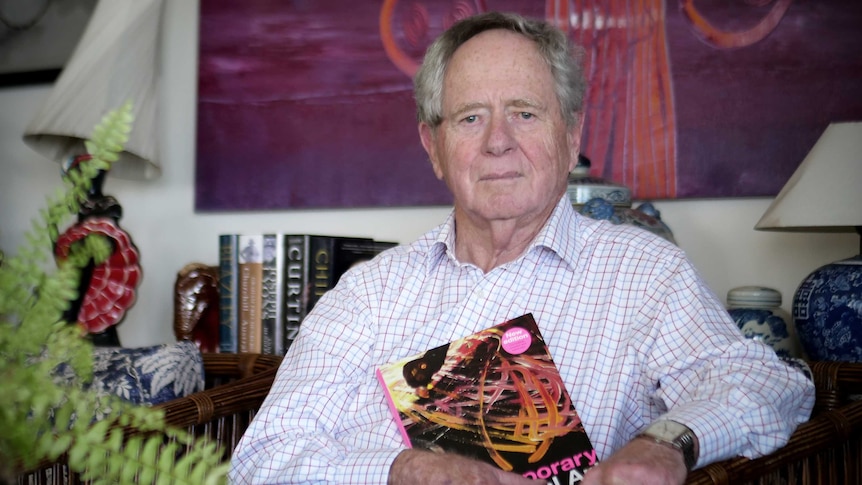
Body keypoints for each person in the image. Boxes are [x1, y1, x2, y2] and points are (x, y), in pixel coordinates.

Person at [230, 11, 814, 485]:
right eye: (470, 118)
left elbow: (767, 384)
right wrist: (406, 471)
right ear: (432, 146)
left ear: (572, 134)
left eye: (525, 113)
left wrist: (666, 445)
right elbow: (263, 459)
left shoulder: (644, 274)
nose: (498, 142)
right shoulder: (367, 292)